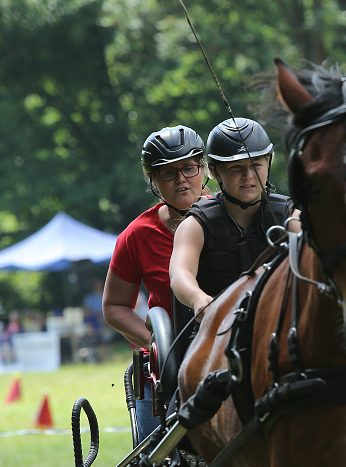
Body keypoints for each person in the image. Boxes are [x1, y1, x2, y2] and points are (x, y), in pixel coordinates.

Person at [104, 124, 207, 441]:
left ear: (205, 169)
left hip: (228, 348)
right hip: (167, 368)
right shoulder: (136, 236)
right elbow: (115, 306)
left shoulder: (233, 218)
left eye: (189, 168)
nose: (181, 180)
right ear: (152, 180)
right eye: (167, 173)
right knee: (154, 460)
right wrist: (157, 343)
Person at [170, 117, 298, 319]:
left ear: (268, 163)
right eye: (236, 167)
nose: (248, 175)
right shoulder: (194, 226)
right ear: (215, 172)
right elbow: (180, 273)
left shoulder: (291, 217)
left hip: (281, 324)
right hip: (215, 325)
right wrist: (197, 298)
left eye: (256, 165)